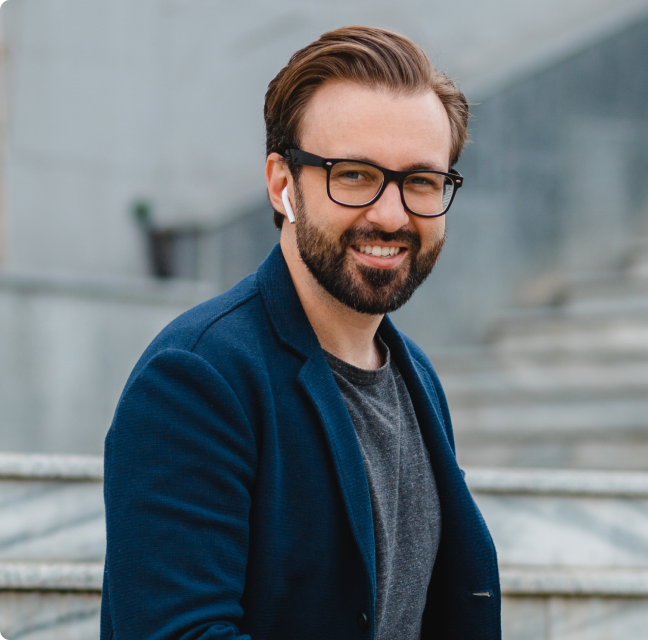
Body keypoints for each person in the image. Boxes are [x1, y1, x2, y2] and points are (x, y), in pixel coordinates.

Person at [101, 25, 500, 640]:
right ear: (282, 184)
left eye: (421, 181)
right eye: (355, 175)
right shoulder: (196, 377)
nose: (391, 214)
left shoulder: (415, 375)